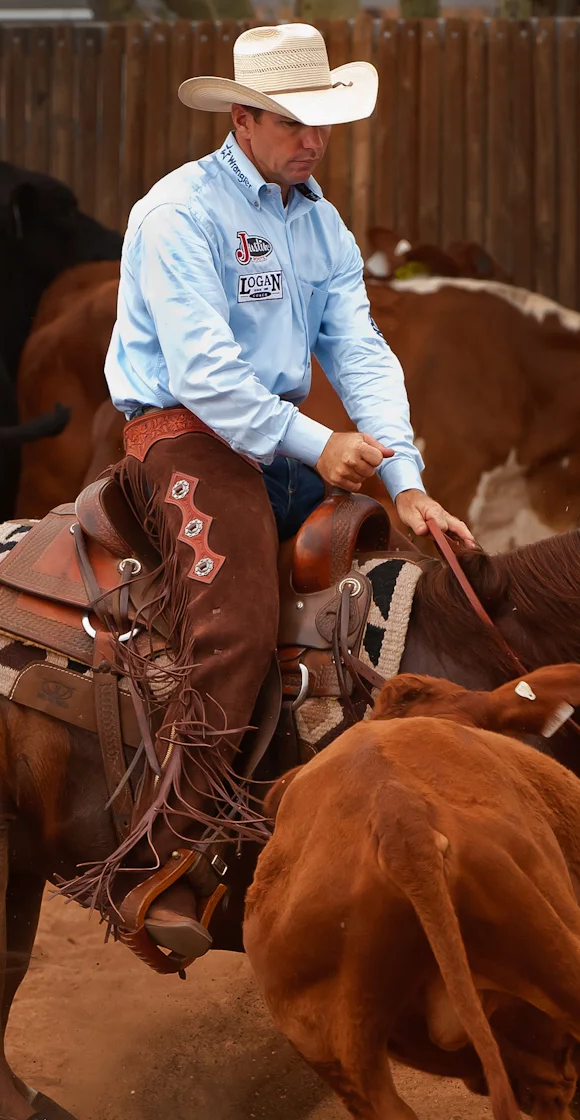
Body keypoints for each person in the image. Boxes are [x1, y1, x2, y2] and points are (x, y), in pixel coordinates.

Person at [100, 23, 477, 973]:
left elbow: (359, 351)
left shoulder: (319, 220)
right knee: (233, 622)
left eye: (324, 123)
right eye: (293, 122)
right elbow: (203, 371)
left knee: (392, 577)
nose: (313, 139)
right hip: (183, 432)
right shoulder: (178, 212)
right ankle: (163, 864)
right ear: (244, 118)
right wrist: (320, 443)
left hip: (270, 433)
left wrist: (407, 479)